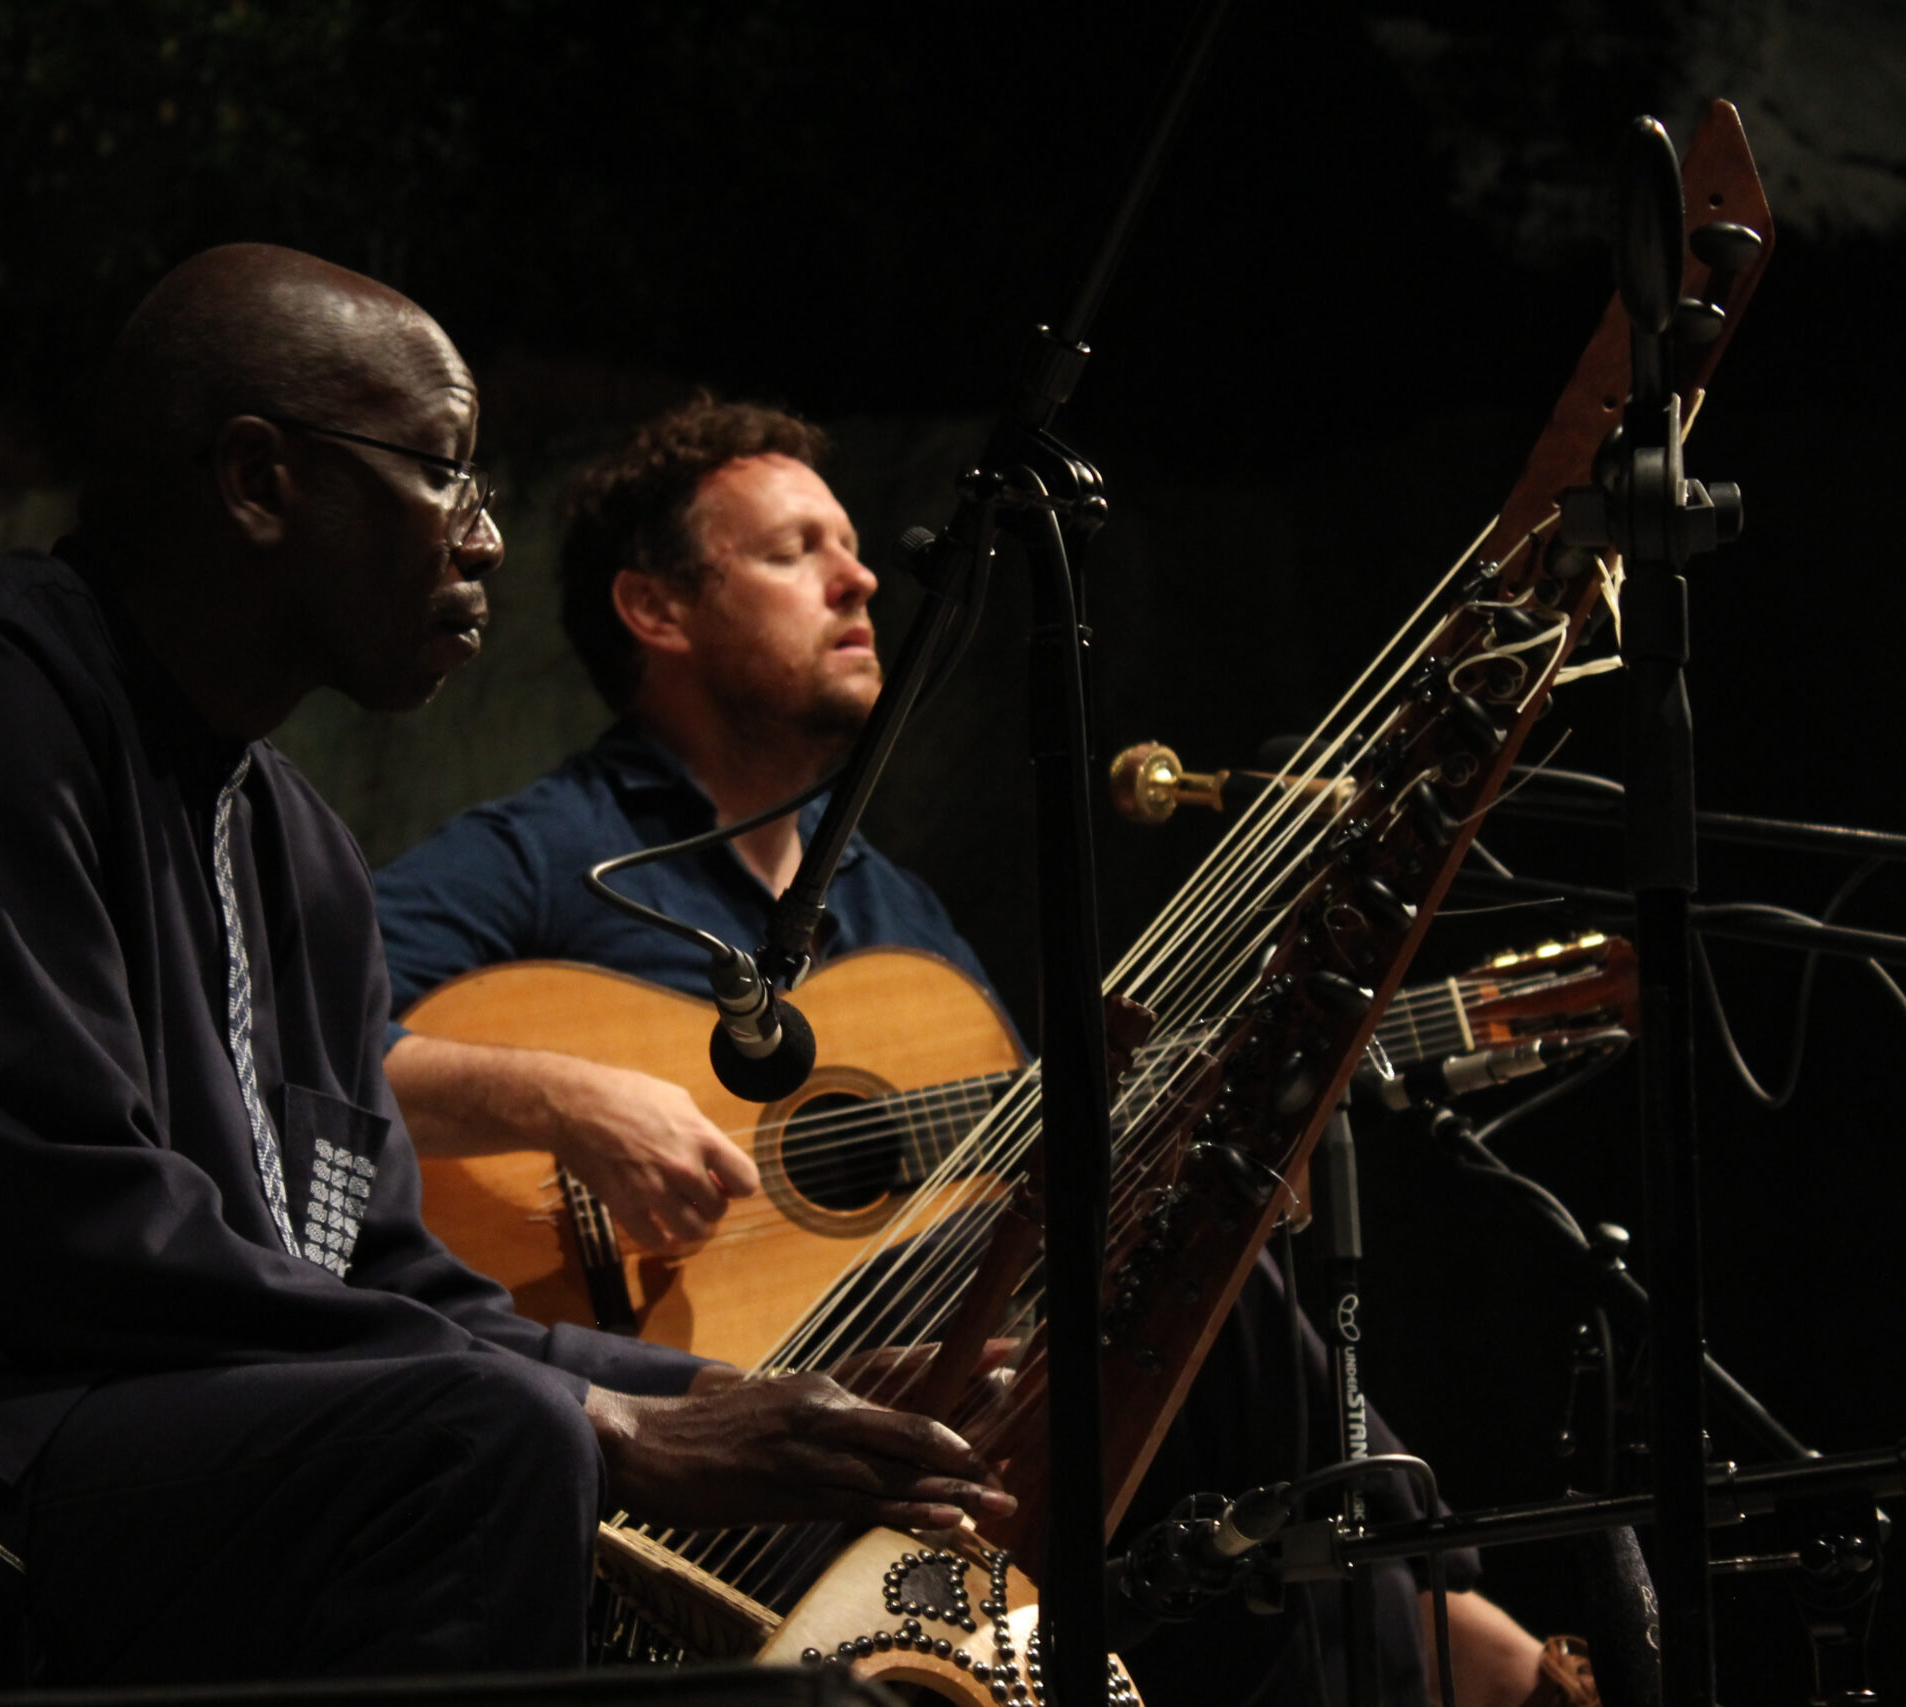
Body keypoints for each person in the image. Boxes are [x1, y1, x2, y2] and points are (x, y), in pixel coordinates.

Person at [0, 250, 1012, 1696]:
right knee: (489, 1444)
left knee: (762, 1503)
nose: (481, 537)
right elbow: (67, 1232)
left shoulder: (299, 850)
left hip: (123, 1450)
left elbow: (395, 1280)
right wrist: (614, 1430)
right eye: (446, 476)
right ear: (259, 481)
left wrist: (744, 1401)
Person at [371, 398, 1581, 1706]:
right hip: (666, 1413)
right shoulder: (545, 854)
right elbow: (300, 1045)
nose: (863, 578)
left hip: (911, 1402)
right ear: (655, 612)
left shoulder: (896, 918)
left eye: (851, 545)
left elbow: (1015, 1193)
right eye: (793, 552)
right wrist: (564, 1096)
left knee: (1194, 1283)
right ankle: (1455, 1626)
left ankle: (1407, 1619)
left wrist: (1170, 1170)